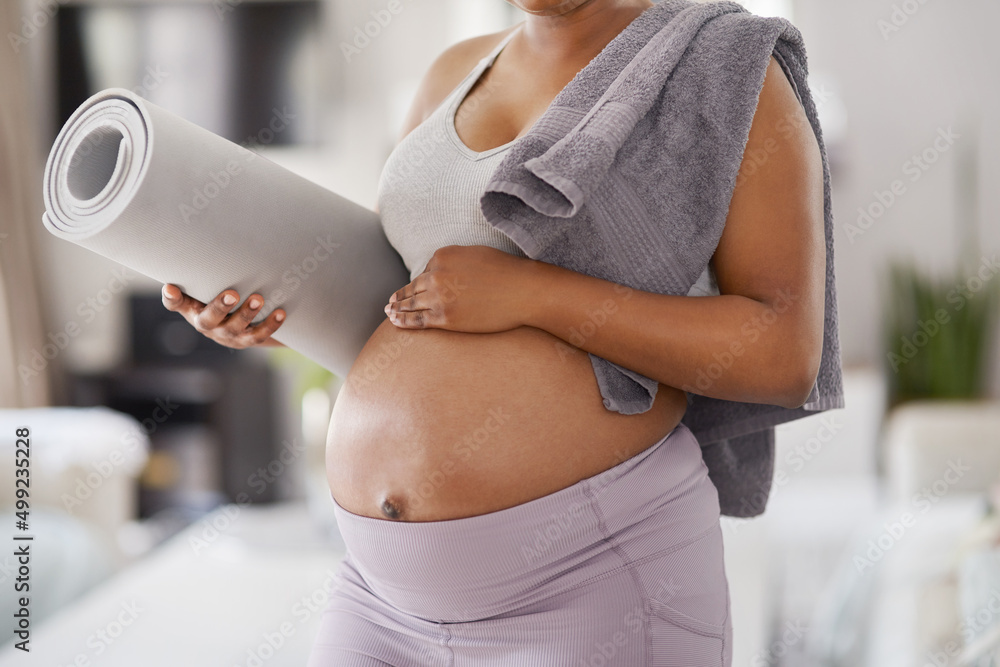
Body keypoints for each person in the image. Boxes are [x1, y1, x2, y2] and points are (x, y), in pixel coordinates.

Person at [162, 0, 826, 663]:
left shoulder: (727, 69)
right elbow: (402, 302)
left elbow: (782, 351)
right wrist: (273, 317)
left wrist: (534, 295)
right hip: (378, 598)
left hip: (595, 582)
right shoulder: (452, 72)